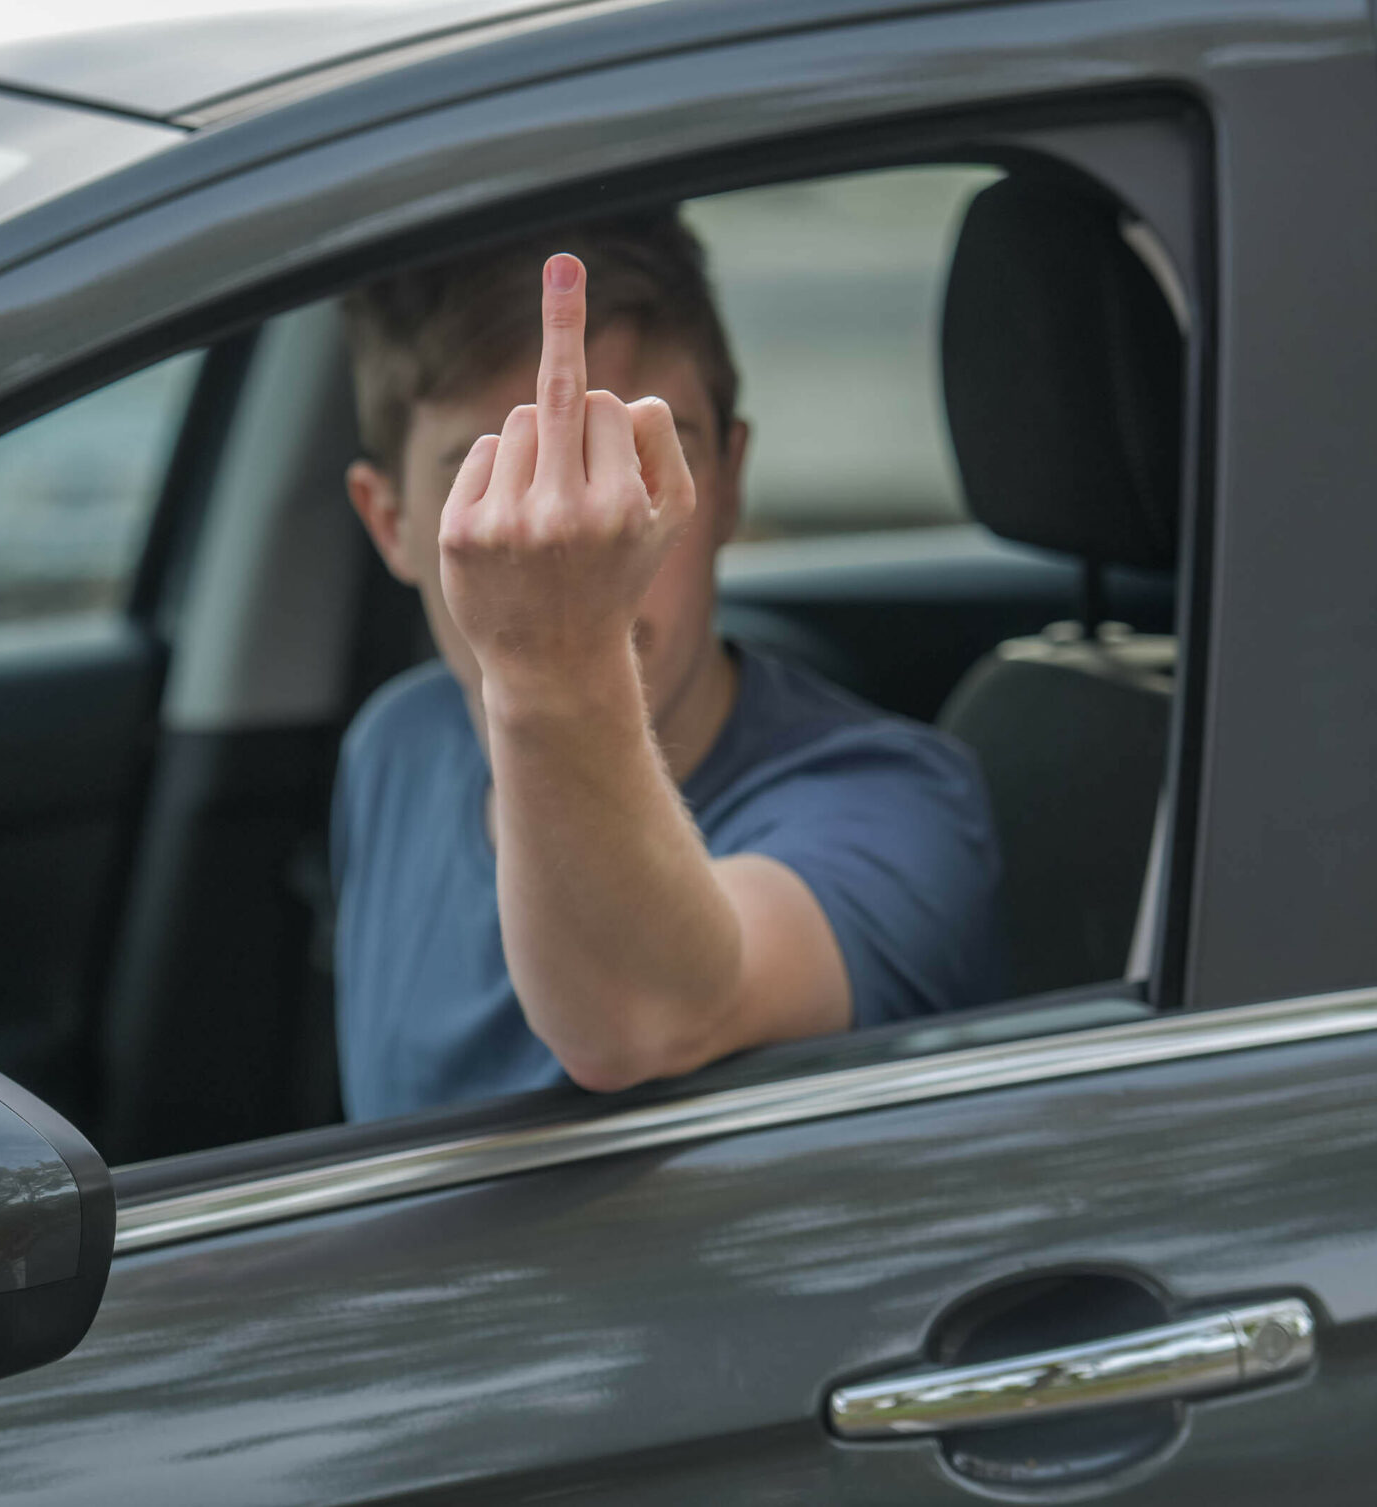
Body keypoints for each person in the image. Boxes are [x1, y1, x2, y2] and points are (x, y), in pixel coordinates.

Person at [331, 211, 1005, 1122]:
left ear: (726, 481)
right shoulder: (399, 748)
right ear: (390, 522)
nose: (575, 528)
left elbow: (644, 1020)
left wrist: (553, 658)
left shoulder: (902, 804)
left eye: (644, 459)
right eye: (495, 472)